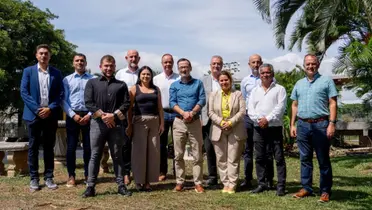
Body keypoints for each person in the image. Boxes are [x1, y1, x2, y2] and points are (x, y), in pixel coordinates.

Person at [82, 55, 132, 197]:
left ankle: (121, 185)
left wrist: (113, 116)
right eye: (106, 66)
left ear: (115, 67)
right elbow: (88, 102)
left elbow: (126, 104)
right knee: (95, 155)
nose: (109, 68)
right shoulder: (92, 83)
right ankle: (90, 187)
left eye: (111, 66)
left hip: (116, 125)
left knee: (117, 155)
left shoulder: (121, 85)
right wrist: (104, 116)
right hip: (97, 124)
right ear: (101, 67)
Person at [291, 54, 337, 203]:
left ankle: (325, 191)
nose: (310, 66)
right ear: (304, 66)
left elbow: (332, 103)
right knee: (305, 158)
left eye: (313, 64)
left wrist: (332, 123)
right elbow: (294, 105)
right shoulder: (299, 83)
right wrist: (293, 124)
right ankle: (306, 188)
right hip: (303, 125)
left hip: (321, 124)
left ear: (318, 64)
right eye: (308, 64)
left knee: (323, 159)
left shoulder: (326, 81)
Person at [20, 44, 64, 191]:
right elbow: (24, 92)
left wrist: (50, 108)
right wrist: (38, 109)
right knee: (33, 147)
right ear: (36, 55)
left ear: (50, 56)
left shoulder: (56, 73)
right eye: (41, 53)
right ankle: (34, 178)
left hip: (50, 115)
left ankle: (49, 177)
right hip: (33, 115)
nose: (44, 56)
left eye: (46, 53)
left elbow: (60, 94)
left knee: (48, 147)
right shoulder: (28, 71)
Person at [248, 64, 287, 196]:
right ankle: (262, 183)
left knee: (278, 157)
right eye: (263, 73)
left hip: (274, 128)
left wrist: (267, 119)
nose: (265, 75)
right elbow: (250, 109)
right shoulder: (255, 90)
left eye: (268, 72)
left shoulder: (279, 89)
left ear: (272, 73)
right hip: (258, 128)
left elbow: (280, 108)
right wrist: (260, 120)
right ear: (259, 74)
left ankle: (281, 186)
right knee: (259, 157)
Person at [169, 58, 206, 193]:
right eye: (181, 67)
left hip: (195, 122)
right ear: (178, 69)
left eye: (186, 67)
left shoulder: (198, 83)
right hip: (179, 122)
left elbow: (202, 99)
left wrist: (193, 112)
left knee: (197, 154)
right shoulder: (174, 85)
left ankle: (198, 183)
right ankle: (180, 182)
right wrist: (184, 113)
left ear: (190, 68)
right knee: (178, 155)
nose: (184, 69)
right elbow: (172, 102)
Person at [126, 66, 164, 191]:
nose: (146, 76)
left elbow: (159, 108)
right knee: (139, 152)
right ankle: (138, 181)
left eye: (148, 74)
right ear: (140, 75)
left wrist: (162, 123)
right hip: (139, 122)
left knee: (153, 151)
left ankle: (148, 182)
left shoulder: (156, 89)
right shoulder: (134, 89)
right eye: (143, 74)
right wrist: (130, 124)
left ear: (151, 76)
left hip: (154, 121)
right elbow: (129, 109)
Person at [208, 71, 246, 194]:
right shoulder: (213, 95)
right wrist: (221, 122)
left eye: (226, 80)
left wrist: (230, 122)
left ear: (230, 80)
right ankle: (225, 183)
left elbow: (242, 111)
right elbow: (210, 112)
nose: (224, 82)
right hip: (218, 129)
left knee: (233, 158)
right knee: (221, 158)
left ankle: (233, 184)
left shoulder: (238, 94)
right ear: (219, 82)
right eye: (221, 80)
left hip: (235, 129)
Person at [240, 54, 274, 190]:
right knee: (248, 150)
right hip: (249, 118)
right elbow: (243, 99)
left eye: (258, 62)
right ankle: (248, 179)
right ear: (249, 64)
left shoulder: (269, 79)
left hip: (265, 119)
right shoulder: (245, 81)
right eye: (253, 62)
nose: (256, 64)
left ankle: (268, 179)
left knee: (267, 149)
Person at [62, 53, 93, 187]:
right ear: (73, 63)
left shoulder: (93, 79)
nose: (80, 62)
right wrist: (72, 115)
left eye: (82, 60)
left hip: (89, 115)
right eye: (77, 60)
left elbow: (96, 100)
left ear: (86, 63)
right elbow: (63, 100)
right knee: (71, 147)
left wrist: (90, 114)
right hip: (72, 115)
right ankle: (71, 175)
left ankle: (88, 174)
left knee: (88, 147)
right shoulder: (66, 80)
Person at [115, 49, 141, 185]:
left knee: (139, 144)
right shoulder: (120, 74)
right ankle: (126, 173)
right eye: (131, 57)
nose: (133, 59)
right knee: (125, 144)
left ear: (139, 59)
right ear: (126, 58)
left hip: (141, 112)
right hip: (125, 113)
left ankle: (138, 172)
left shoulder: (143, 73)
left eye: (135, 57)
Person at [153, 54, 179, 181]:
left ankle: (177, 171)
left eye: (170, 62)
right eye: (165, 62)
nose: (167, 64)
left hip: (176, 113)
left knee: (177, 143)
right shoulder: (156, 79)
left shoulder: (179, 78)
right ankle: (162, 171)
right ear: (162, 63)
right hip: (162, 113)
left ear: (173, 63)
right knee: (161, 144)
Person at [201, 55, 222, 186]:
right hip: (207, 120)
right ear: (210, 66)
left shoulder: (226, 79)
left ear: (222, 65)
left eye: (218, 64)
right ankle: (212, 176)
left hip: (223, 120)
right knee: (209, 149)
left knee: (223, 150)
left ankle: (226, 176)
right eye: (214, 64)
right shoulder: (203, 81)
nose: (216, 66)